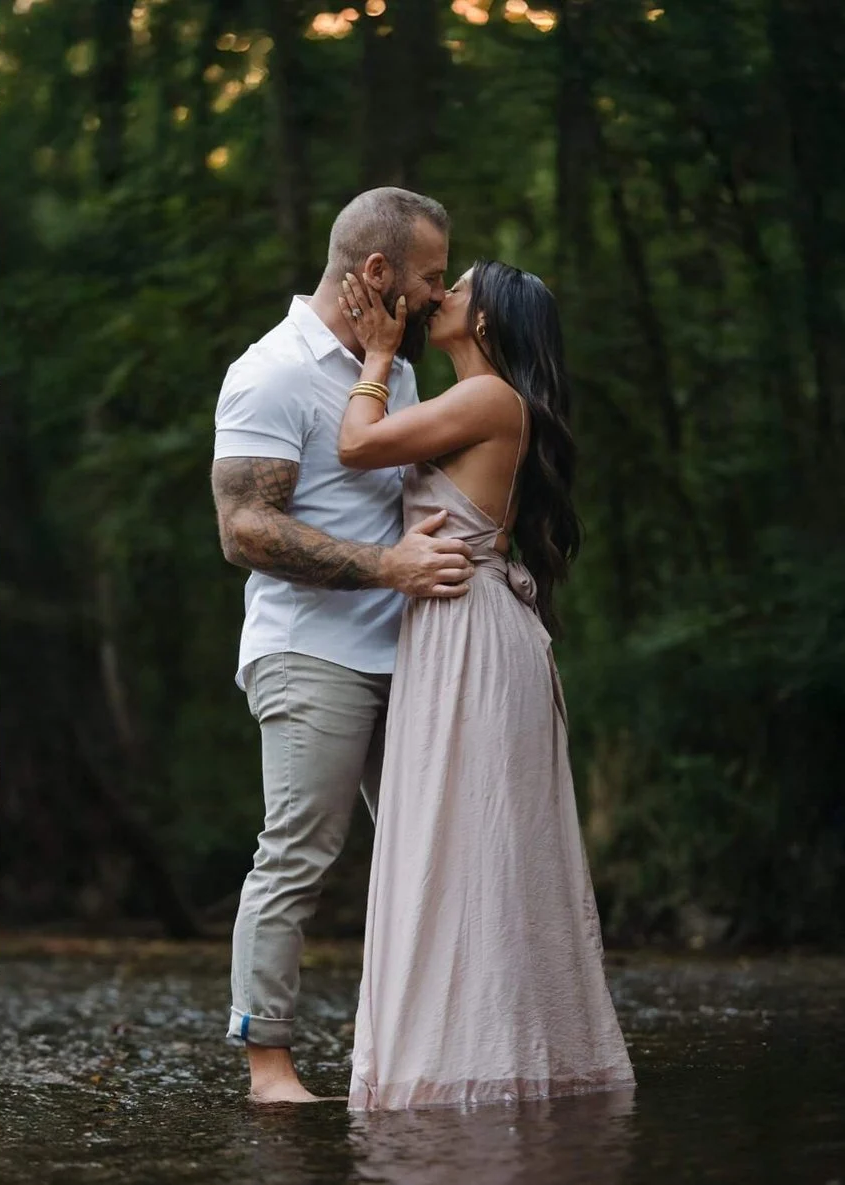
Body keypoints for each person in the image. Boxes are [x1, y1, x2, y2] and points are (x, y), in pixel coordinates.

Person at [334, 260, 634, 1109]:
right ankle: (476, 1054)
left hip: (469, 635)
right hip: (457, 628)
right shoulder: (486, 402)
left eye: (457, 289)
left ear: (490, 323)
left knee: (470, 841)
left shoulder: (492, 397)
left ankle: (478, 1061)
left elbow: (355, 446)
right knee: (460, 837)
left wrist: (377, 356)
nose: (440, 296)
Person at [206, 187, 475, 1104]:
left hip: (406, 651)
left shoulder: (389, 366)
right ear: (376, 272)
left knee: (428, 848)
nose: (441, 295)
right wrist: (390, 568)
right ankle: (267, 1063)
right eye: (432, 276)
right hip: (308, 650)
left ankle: (417, 1045)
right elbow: (243, 529)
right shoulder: (273, 371)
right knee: (299, 852)